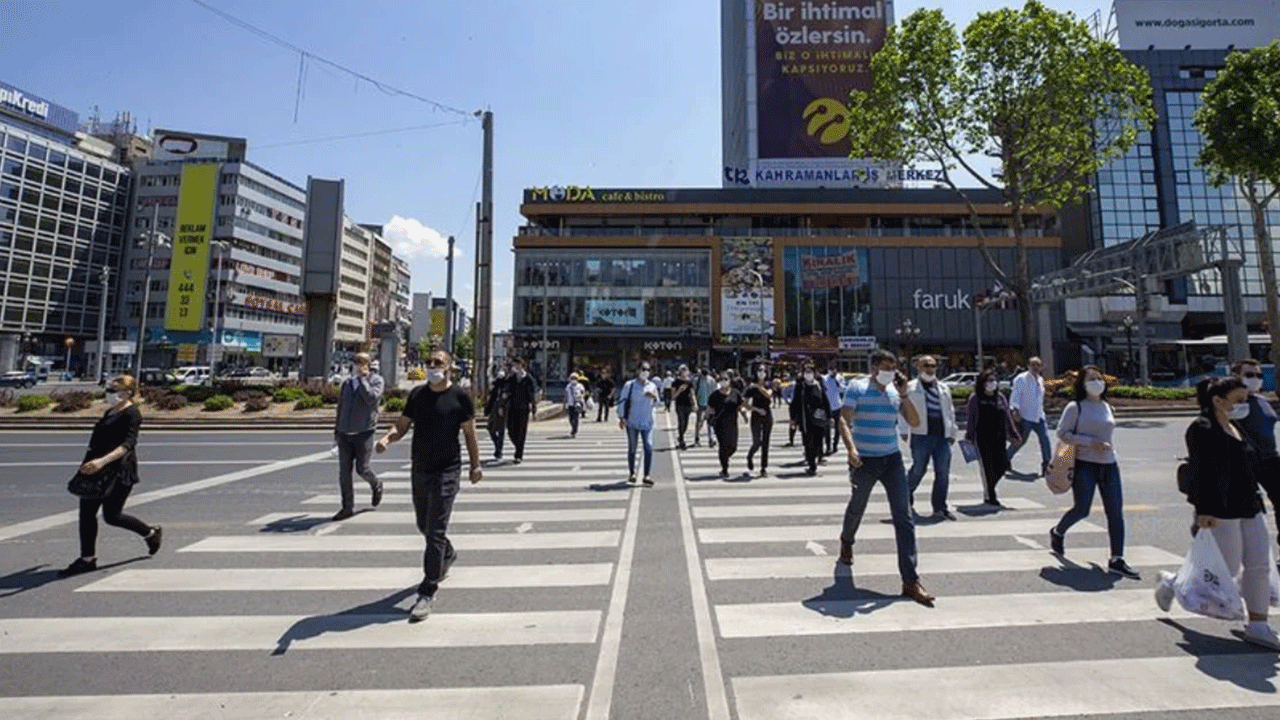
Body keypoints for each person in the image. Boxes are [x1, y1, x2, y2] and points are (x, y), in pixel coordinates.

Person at [1157, 376, 1278, 649]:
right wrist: (1203, 510)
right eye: (1238, 400)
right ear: (1217, 400)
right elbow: (1201, 472)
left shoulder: (1237, 427)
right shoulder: (1202, 428)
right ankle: (1173, 584)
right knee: (1227, 567)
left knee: (1259, 565)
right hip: (1221, 508)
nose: (1243, 405)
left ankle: (1259, 625)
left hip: (1250, 504)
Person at [376, 349, 482, 622]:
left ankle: (427, 589)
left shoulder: (460, 397)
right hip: (420, 468)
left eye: (438, 363)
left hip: (448, 469)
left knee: (435, 528)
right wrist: (388, 439)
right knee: (424, 525)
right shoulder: (418, 395)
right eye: (429, 362)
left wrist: (475, 465)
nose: (432, 366)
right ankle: (447, 553)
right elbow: (402, 425)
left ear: (449, 367)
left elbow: (470, 433)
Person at [837, 349, 934, 606]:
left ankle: (910, 581)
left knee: (904, 517)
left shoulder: (895, 392)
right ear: (873, 368)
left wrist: (903, 394)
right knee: (857, 505)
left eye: (894, 367)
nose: (890, 371)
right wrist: (851, 449)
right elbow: (844, 420)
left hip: (892, 459)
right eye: (885, 367)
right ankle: (847, 541)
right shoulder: (856, 388)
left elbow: (913, 421)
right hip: (864, 460)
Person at [58, 375, 162, 577]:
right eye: (109, 390)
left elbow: (128, 445)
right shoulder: (110, 411)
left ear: (128, 392)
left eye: (114, 390)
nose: (110, 394)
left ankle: (150, 533)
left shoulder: (132, 413)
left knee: (112, 516)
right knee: (86, 514)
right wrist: (87, 463)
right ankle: (87, 559)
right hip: (95, 468)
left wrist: (102, 461)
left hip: (119, 471)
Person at [1048, 366, 1139, 579]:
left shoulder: (1107, 406)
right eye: (1091, 379)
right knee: (1082, 509)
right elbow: (1062, 433)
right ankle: (1058, 532)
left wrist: (1103, 446)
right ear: (1082, 383)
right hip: (1084, 464)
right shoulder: (1075, 407)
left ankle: (1117, 559)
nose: (1097, 382)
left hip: (1109, 464)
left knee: (1115, 512)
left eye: (1099, 378)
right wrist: (1090, 442)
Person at [901, 356, 959, 521]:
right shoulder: (910, 387)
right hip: (920, 435)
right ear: (918, 367)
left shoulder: (943, 388)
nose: (930, 368)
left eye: (933, 365)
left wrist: (953, 432)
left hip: (942, 437)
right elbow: (903, 409)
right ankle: (905, 499)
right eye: (926, 365)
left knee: (943, 473)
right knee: (918, 469)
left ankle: (940, 507)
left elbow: (950, 411)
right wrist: (904, 431)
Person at [331, 352, 385, 522]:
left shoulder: (376, 381)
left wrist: (362, 380)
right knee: (344, 473)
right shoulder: (347, 383)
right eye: (355, 362)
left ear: (369, 364)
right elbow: (341, 406)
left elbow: (372, 399)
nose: (357, 365)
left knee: (362, 469)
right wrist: (337, 430)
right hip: (345, 434)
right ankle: (347, 507)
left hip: (364, 433)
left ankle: (376, 484)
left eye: (361, 362)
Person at [1233, 359, 1280, 546]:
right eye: (1249, 375)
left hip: (1270, 459)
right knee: (1246, 508)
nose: (1255, 379)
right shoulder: (1233, 403)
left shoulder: (1263, 401)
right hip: (1245, 462)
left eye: (1259, 375)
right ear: (1237, 376)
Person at [964, 369, 1021, 508]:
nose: (992, 383)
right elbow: (971, 418)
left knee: (1002, 466)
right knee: (988, 467)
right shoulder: (976, 398)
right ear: (982, 383)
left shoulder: (1000, 397)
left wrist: (1014, 433)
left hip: (999, 437)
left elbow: (1007, 416)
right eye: (988, 381)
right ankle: (990, 494)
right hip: (982, 438)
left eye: (994, 380)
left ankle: (990, 488)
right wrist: (969, 435)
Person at [1007, 356, 1052, 477]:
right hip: (1025, 416)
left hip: (1039, 416)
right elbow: (1015, 395)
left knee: (1045, 440)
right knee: (1021, 441)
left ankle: (1047, 465)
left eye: (1038, 365)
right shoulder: (1021, 379)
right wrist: (1014, 410)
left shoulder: (1041, 380)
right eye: (1033, 365)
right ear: (1028, 366)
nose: (1036, 368)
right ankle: (1005, 459)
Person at [617, 361, 660, 486]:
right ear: (637, 371)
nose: (645, 372)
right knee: (632, 448)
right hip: (632, 422)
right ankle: (632, 473)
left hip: (648, 422)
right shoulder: (629, 385)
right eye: (643, 369)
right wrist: (621, 418)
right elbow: (622, 401)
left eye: (647, 369)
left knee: (648, 447)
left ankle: (646, 474)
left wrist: (653, 396)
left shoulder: (652, 386)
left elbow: (658, 403)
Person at [790, 362, 831, 476]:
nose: (808, 374)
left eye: (810, 372)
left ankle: (815, 457)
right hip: (805, 420)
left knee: (818, 442)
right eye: (806, 372)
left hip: (819, 419)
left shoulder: (818, 385)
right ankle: (812, 466)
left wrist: (829, 415)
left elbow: (825, 401)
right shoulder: (800, 387)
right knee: (809, 443)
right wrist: (793, 418)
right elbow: (794, 403)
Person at [707, 373, 748, 478]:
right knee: (723, 446)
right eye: (721, 379)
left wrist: (744, 415)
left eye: (725, 379)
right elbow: (710, 409)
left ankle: (725, 457)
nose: (723, 381)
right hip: (719, 425)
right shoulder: (714, 395)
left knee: (733, 447)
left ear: (729, 381)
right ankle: (724, 468)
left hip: (733, 424)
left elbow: (740, 406)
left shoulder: (735, 393)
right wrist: (707, 419)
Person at [503, 358, 538, 464]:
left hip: (523, 408)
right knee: (511, 430)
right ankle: (517, 445)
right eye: (514, 365)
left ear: (522, 365)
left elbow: (532, 393)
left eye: (517, 365)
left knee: (521, 432)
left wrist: (533, 406)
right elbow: (505, 387)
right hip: (512, 407)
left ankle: (518, 454)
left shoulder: (528, 378)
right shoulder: (512, 378)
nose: (515, 367)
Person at [745, 364, 774, 477]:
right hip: (756, 415)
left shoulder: (769, 385)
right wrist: (756, 409)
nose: (761, 372)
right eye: (759, 370)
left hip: (767, 415)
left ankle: (763, 467)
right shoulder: (751, 388)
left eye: (764, 371)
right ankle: (750, 456)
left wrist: (758, 387)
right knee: (757, 442)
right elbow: (745, 403)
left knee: (766, 442)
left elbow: (769, 395)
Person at [484, 365, 509, 461]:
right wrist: (487, 409)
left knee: (501, 431)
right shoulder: (495, 385)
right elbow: (491, 398)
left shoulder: (507, 385)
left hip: (502, 409)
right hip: (494, 409)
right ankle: (497, 446)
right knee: (491, 428)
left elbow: (507, 397)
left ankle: (499, 450)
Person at [823, 367, 846, 456]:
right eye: (831, 370)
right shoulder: (824, 378)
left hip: (837, 405)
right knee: (826, 428)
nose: (833, 371)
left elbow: (843, 389)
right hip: (827, 406)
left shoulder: (839, 378)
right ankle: (828, 446)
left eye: (834, 370)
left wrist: (836, 381)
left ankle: (835, 445)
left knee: (838, 428)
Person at [672, 365, 695, 449]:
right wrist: (679, 391)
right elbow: (673, 396)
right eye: (682, 370)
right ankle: (682, 440)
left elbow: (692, 394)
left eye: (685, 370)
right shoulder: (676, 382)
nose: (684, 372)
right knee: (681, 422)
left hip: (688, 404)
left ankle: (681, 435)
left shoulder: (689, 382)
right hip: (679, 404)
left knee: (686, 424)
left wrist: (694, 404)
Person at [694, 368, 716, 448]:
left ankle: (710, 439)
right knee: (700, 421)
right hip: (701, 403)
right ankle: (697, 438)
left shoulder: (711, 380)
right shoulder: (697, 380)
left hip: (708, 404)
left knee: (709, 422)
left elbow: (714, 391)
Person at [564, 372, 587, 438]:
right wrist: (565, 403)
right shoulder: (568, 386)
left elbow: (583, 392)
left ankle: (574, 430)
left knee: (576, 417)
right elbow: (566, 395)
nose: (573, 379)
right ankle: (573, 427)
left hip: (577, 403)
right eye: (572, 378)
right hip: (570, 404)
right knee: (571, 418)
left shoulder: (580, 386)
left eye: (575, 378)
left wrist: (580, 395)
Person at [782, 372, 797, 446]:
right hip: (792, 405)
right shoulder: (785, 384)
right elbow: (783, 393)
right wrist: (787, 400)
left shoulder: (794, 383)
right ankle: (791, 439)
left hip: (799, 404)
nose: (785, 378)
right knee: (792, 422)